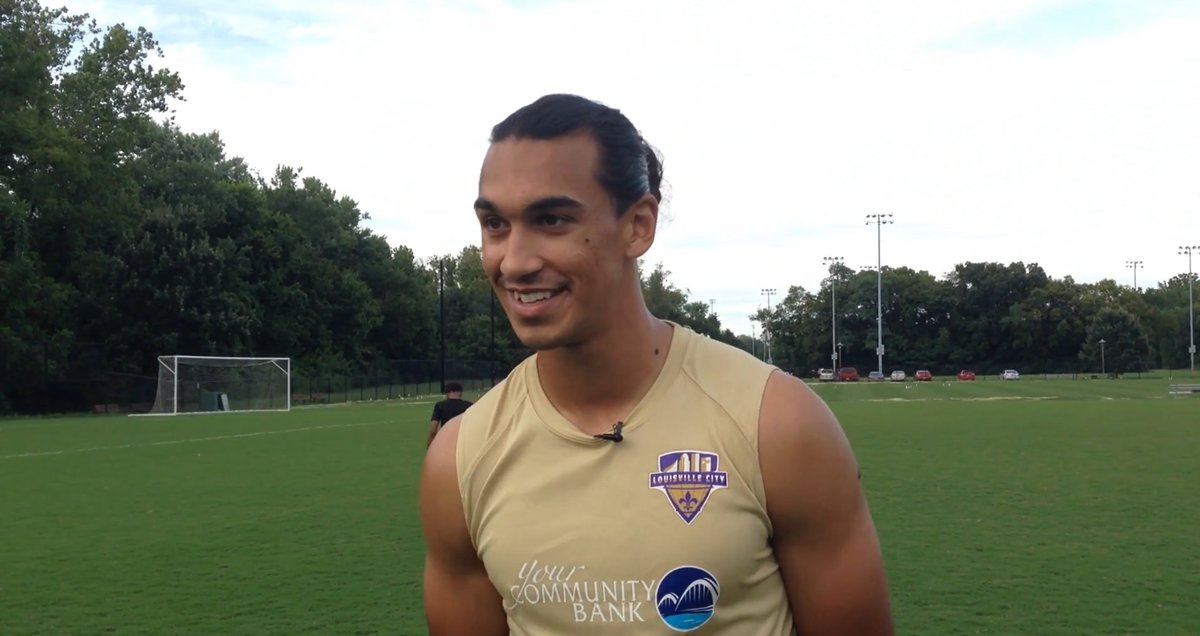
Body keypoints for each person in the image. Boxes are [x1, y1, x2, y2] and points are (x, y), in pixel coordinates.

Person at [420, 94, 893, 635]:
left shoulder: (778, 424)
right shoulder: (458, 460)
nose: (515, 261)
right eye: (495, 224)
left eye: (551, 220)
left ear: (638, 225)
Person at [426, 382, 472, 448]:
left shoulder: (440, 405)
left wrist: (429, 446)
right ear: (460, 392)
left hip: (446, 440)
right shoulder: (469, 405)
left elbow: (433, 429)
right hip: (463, 441)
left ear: (447, 393)